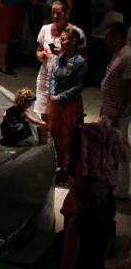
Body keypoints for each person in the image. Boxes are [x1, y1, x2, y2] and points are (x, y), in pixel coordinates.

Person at [47, 25, 88, 172]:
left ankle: (68, 168)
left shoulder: (80, 62)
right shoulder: (61, 56)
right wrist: (52, 93)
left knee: (67, 134)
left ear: (73, 41)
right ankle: (56, 162)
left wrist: (60, 97)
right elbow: (53, 76)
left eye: (63, 40)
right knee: (53, 130)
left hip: (70, 102)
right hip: (56, 99)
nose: (60, 42)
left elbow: (78, 87)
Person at [100, 22, 131, 198]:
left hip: (119, 114)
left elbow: (128, 90)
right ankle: (112, 182)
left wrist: (118, 113)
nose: (105, 41)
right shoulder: (117, 54)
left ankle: (121, 190)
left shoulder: (127, 56)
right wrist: (104, 107)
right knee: (111, 149)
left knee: (122, 150)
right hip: (110, 110)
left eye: (108, 37)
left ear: (117, 37)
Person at [34, 1, 73, 126]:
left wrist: (63, 52)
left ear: (66, 13)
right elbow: (39, 51)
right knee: (44, 111)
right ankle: (46, 134)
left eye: (58, 13)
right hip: (45, 76)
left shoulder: (74, 32)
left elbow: (82, 59)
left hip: (63, 79)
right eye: (53, 13)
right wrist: (41, 55)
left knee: (59, 113)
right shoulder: (45, 29)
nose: (55, 16)